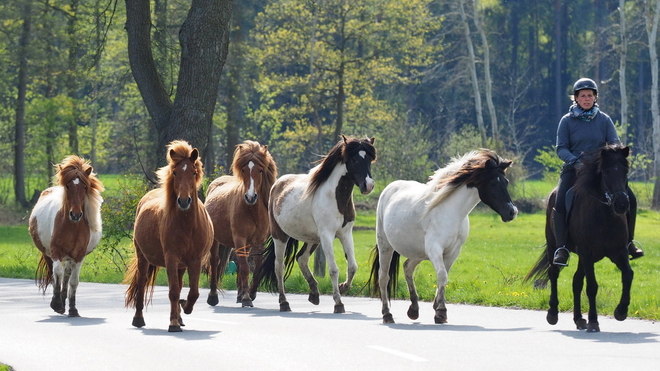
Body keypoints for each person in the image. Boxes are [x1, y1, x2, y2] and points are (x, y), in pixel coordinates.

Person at [552, 77, 644, 266]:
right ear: (576, 98)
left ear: (595, 98)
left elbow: (615, 143)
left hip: (601, 171)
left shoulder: (604, 120)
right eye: (583, 96)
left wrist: (610, 156)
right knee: (561, 200)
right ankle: (561, 247)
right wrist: (575, 161)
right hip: (574, 169)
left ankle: (629, 243)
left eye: (590, 95)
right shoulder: (567, 121)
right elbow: (561, 148)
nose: (586, 99)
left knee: (630, 198)